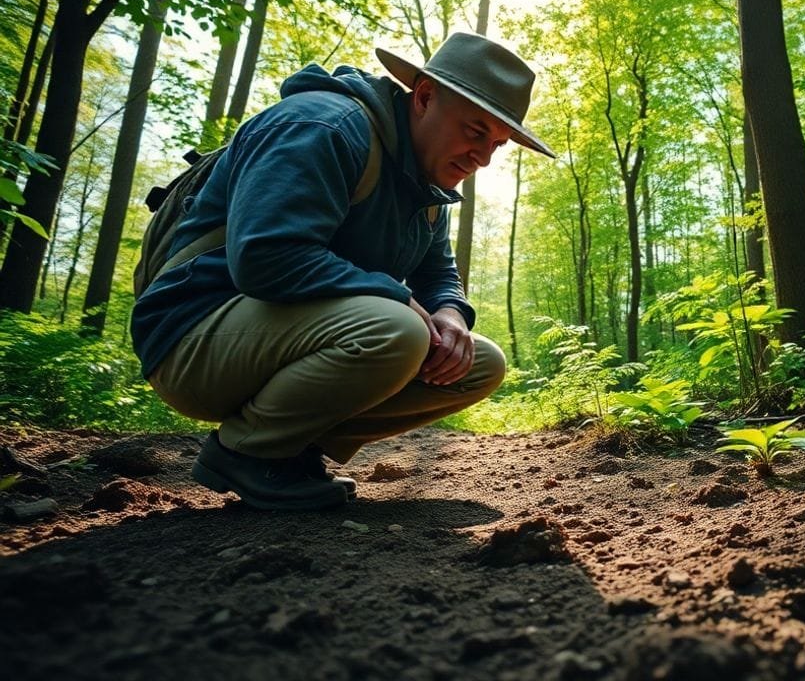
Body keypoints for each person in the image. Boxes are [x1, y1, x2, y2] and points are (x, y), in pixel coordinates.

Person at [131, 32, 554, 511]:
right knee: (396, 329)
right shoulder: (323, 126)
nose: (483, 158)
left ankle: (293, 446)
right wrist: (398, 299)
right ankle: (246, 452)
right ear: (425, 96)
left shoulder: (428, 185)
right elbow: (266, 255)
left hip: (287, 341)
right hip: (191, 336)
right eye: (476, 131)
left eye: (498, 144)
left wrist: (451, 314)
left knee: (478, 364)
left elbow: (439, 275)